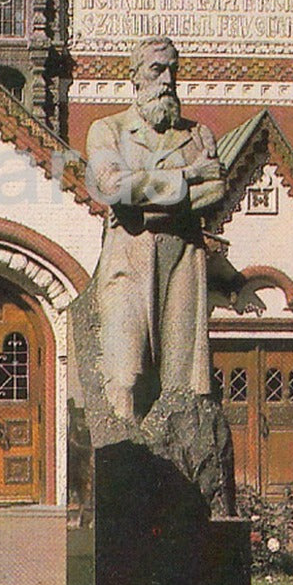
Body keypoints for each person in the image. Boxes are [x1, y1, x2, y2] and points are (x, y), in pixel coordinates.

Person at [86, 37, 226, 422]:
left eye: (172, 70)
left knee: (183, 386)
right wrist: (187, 176)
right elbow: (112, 186)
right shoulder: (107, 130)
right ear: (135, 77)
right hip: (127, 263)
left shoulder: (198, 135)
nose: (167, 80)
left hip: (181, 263)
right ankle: (127, 469)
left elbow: (215, 190)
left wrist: (142, 212)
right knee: (125, 374)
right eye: (156, 69)